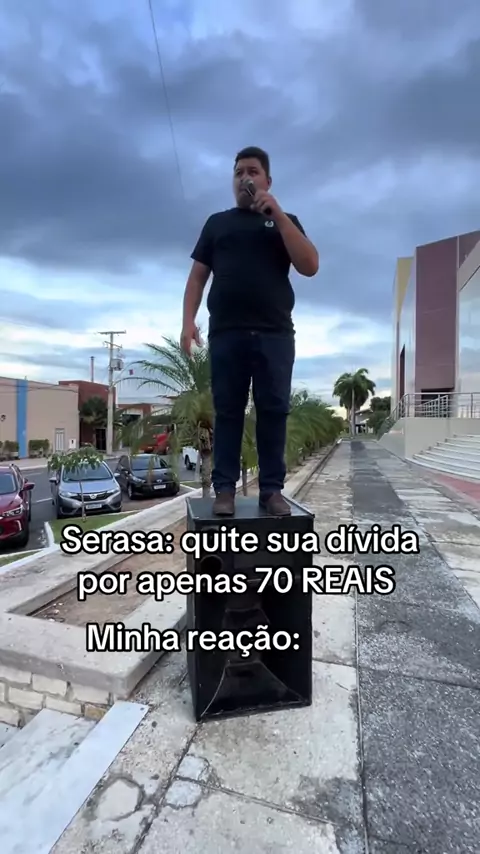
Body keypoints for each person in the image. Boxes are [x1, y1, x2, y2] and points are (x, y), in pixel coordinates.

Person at [180, 146, 319, 517]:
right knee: (228, 410)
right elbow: (197, 278)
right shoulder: (217, 223)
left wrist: (279, 216)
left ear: (267, 180)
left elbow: (309, 265)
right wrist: (187, 321)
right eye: (239, 172)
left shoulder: (286, 221)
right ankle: (224, 490)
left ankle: (271, 491)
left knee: (273, 410)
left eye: (253, 171)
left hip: (275, 334)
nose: (245, 178)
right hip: (227, 334)